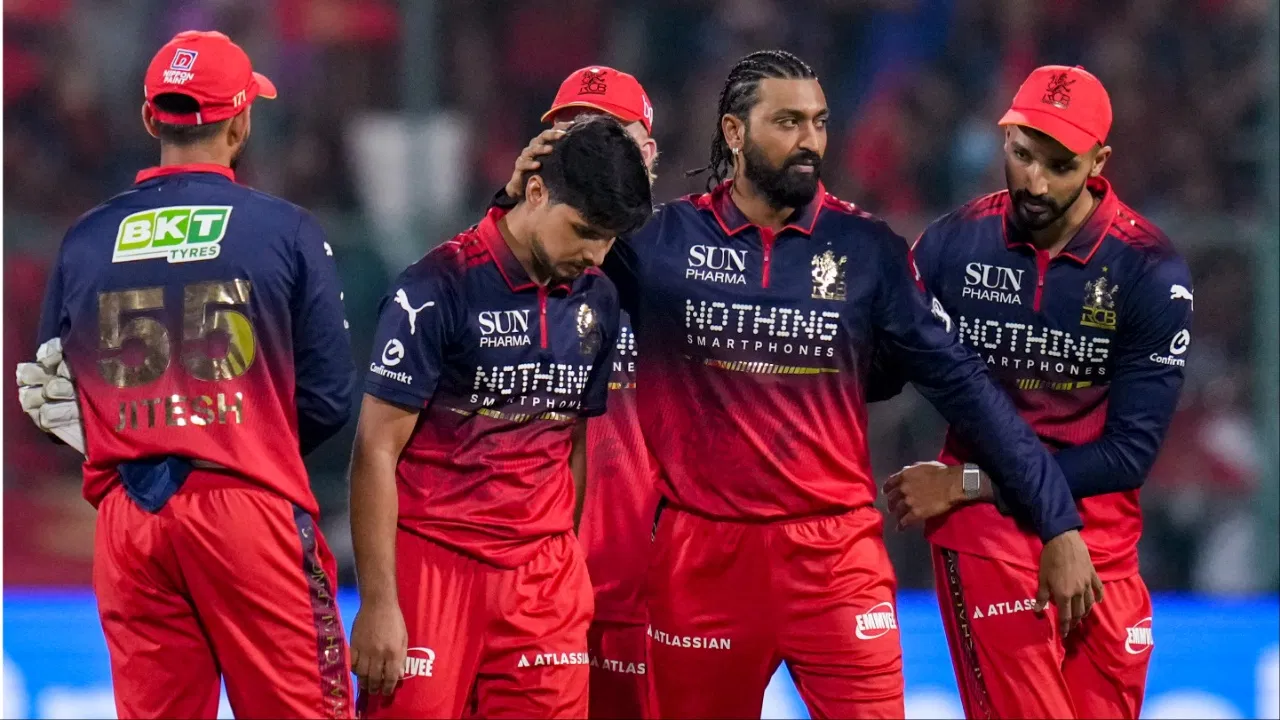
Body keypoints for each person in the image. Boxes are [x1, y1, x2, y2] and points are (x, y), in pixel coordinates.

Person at [508, 49, 1100, 720]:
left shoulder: (867, 250)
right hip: (701, 562)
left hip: (836, 561)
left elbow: (965, 385)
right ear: (734, 132)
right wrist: (516, 196)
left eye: (818, 122)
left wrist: (1057, 521)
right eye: (787, 122)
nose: (810, 141)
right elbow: (529, 266)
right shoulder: (658, 246)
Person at [18, 30, 356, 719]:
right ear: (241, 122)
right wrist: (238, 434)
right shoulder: (284, 230)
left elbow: (53, 399)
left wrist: (139, 431)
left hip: (131, 518)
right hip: (247, 504)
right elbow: (329, 399)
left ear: (151, 119)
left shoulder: (85, 239)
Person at [882, 65, 1192, 719]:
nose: (1035, 182)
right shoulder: (951, 246)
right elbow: (879, 369)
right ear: (1005, 138)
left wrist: (968, 481)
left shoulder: (1148, 270)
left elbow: (1127, 454)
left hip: (1104, 550)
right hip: (989, 542)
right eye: (1023, 155)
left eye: (1060, 165)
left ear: (1099, 161)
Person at [348, 115, 653, 719]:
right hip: (434, 564)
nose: (595, 254)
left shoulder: (599, 296)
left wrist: (565, 559)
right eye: (584, 231)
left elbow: (574, 440)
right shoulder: (436, 287)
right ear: (535, 192)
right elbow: (375, 449)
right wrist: (378, 602)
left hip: (543, 581)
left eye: (609, 239)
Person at [498, 66, 662, 720]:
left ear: (648, 155)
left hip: (651, 594)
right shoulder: (505, 264)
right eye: (570, 136)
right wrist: (506, 206)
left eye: (611, 135)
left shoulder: (692, 264)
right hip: (527, 589)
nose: (591, 151)